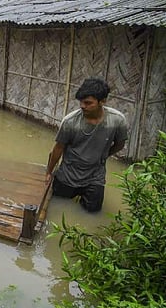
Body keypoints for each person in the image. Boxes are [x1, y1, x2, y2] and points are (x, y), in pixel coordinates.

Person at [45, 78, 129, 213]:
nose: (82, 106)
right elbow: (58, 149)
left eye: (88, 103)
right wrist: (49, 172)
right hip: (68, 174)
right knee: (57, 206)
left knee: (93, 212)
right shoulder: (70, 122)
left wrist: (103, 156)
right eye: (81, 102)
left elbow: (120, 144)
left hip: (95, 176)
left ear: (102, 101)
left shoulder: (116, 120)